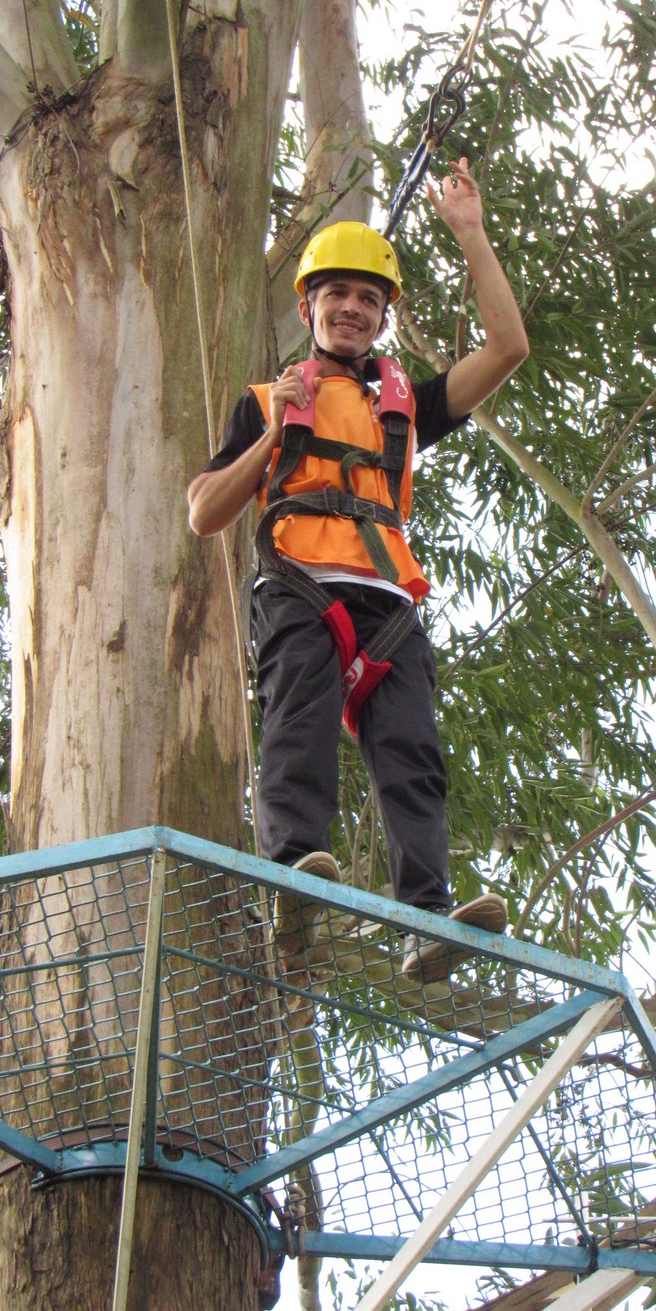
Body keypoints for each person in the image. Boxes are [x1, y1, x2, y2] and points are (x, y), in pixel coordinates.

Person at [187, 157, 529, 981]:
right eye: (336, 294)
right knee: (296, 727)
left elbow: (508, 348)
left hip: (388, 601)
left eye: (369, 299)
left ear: (382, 319)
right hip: (297, 583)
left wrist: (471, 235)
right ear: (307, 306)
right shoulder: (267, 399)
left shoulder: (401, 406)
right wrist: (278, 435)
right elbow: (203, 511)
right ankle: (292, 881)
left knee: (412, 752)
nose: (352, 308)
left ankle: (426, 917)